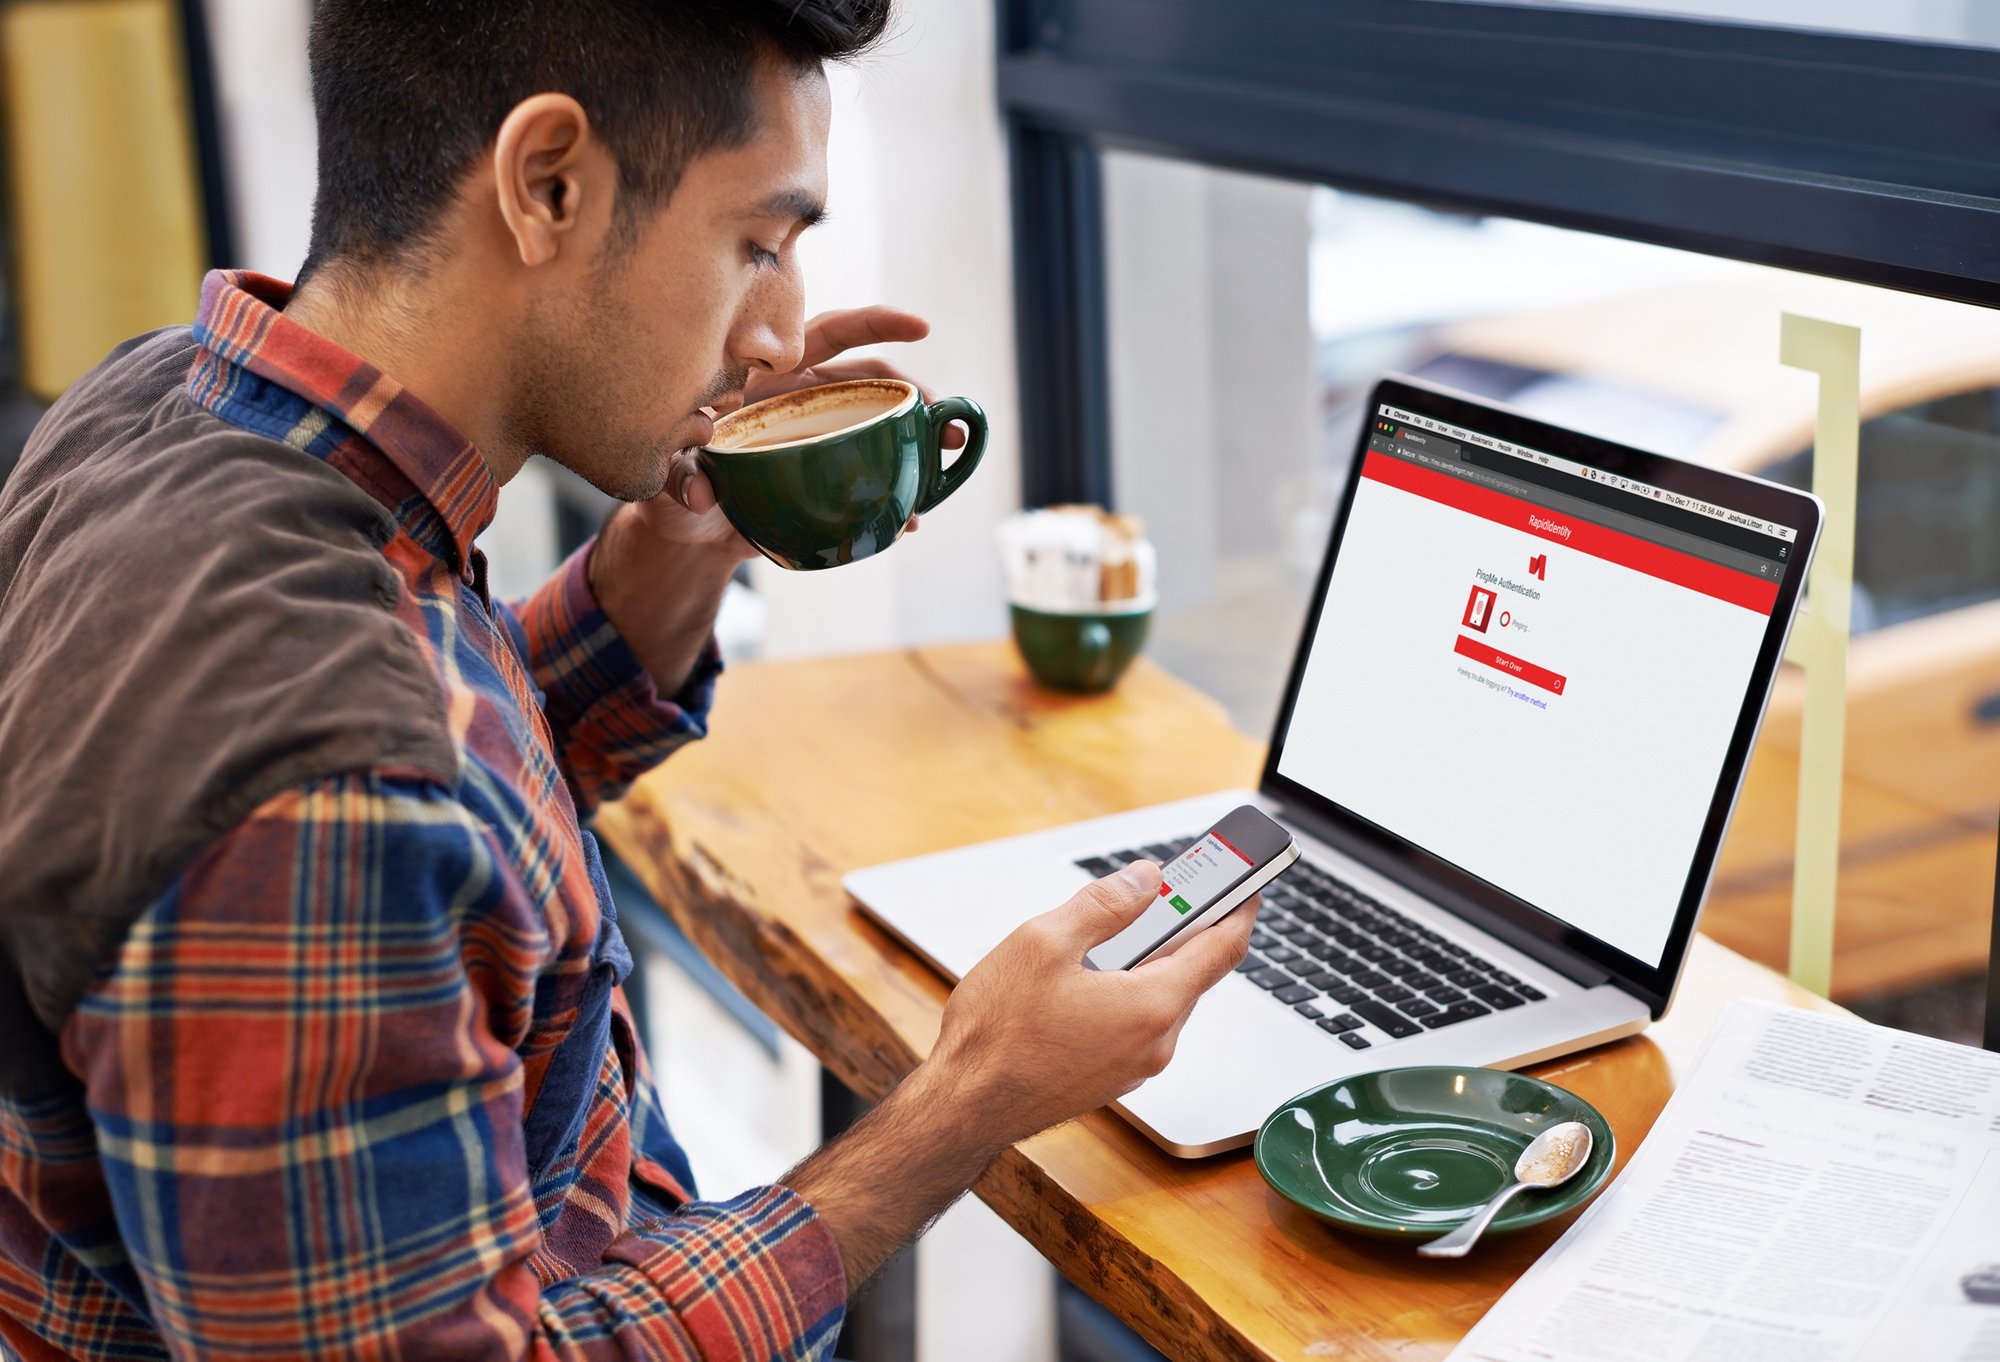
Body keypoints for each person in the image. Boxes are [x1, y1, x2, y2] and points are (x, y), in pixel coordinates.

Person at [0, 3, 1254, 1358]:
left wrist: (679, 552)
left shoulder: (165, 407)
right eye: (756, 244)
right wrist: (963, 1099)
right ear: (548, 183)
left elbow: (455, 823)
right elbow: (374, 815)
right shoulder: (325, 800)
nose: (776, 337)